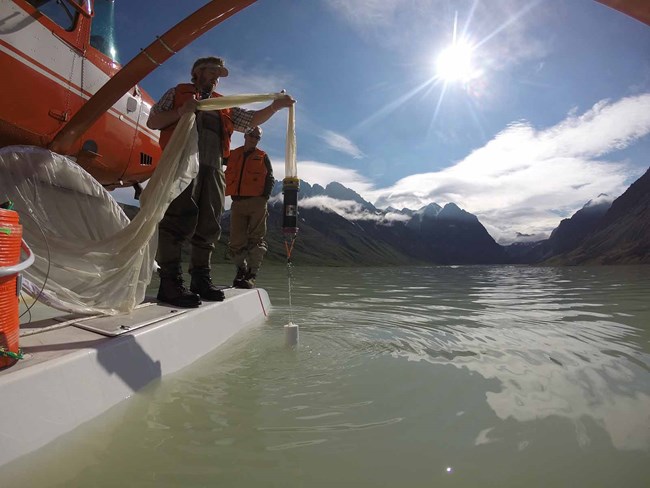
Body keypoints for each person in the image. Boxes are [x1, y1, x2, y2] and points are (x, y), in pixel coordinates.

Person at [146, 56, 294, 308]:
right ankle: (170, 283)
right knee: (176, 221)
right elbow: (153, 121)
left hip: (213, 169)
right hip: (181, 165)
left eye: (219, 74)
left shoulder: (223, 104)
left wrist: (275, 106)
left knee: (210, 224)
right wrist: (181, 111)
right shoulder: (177, 93)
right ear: (197, 72)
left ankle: (200, 279)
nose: (217, 78)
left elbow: (250, 120)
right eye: (213, 72)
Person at [224, 126, 274, 289]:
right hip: (237, 202)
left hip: (257, 203)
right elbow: (217, 162)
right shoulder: (233, 155)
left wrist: (263, 198)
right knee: (235, 240)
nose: (254, 139)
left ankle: (252, 274)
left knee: (256, 239)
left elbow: (270, 178)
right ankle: (241, 270)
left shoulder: (262, 156)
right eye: (252, 135)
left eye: (257, 137)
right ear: (245, 135)